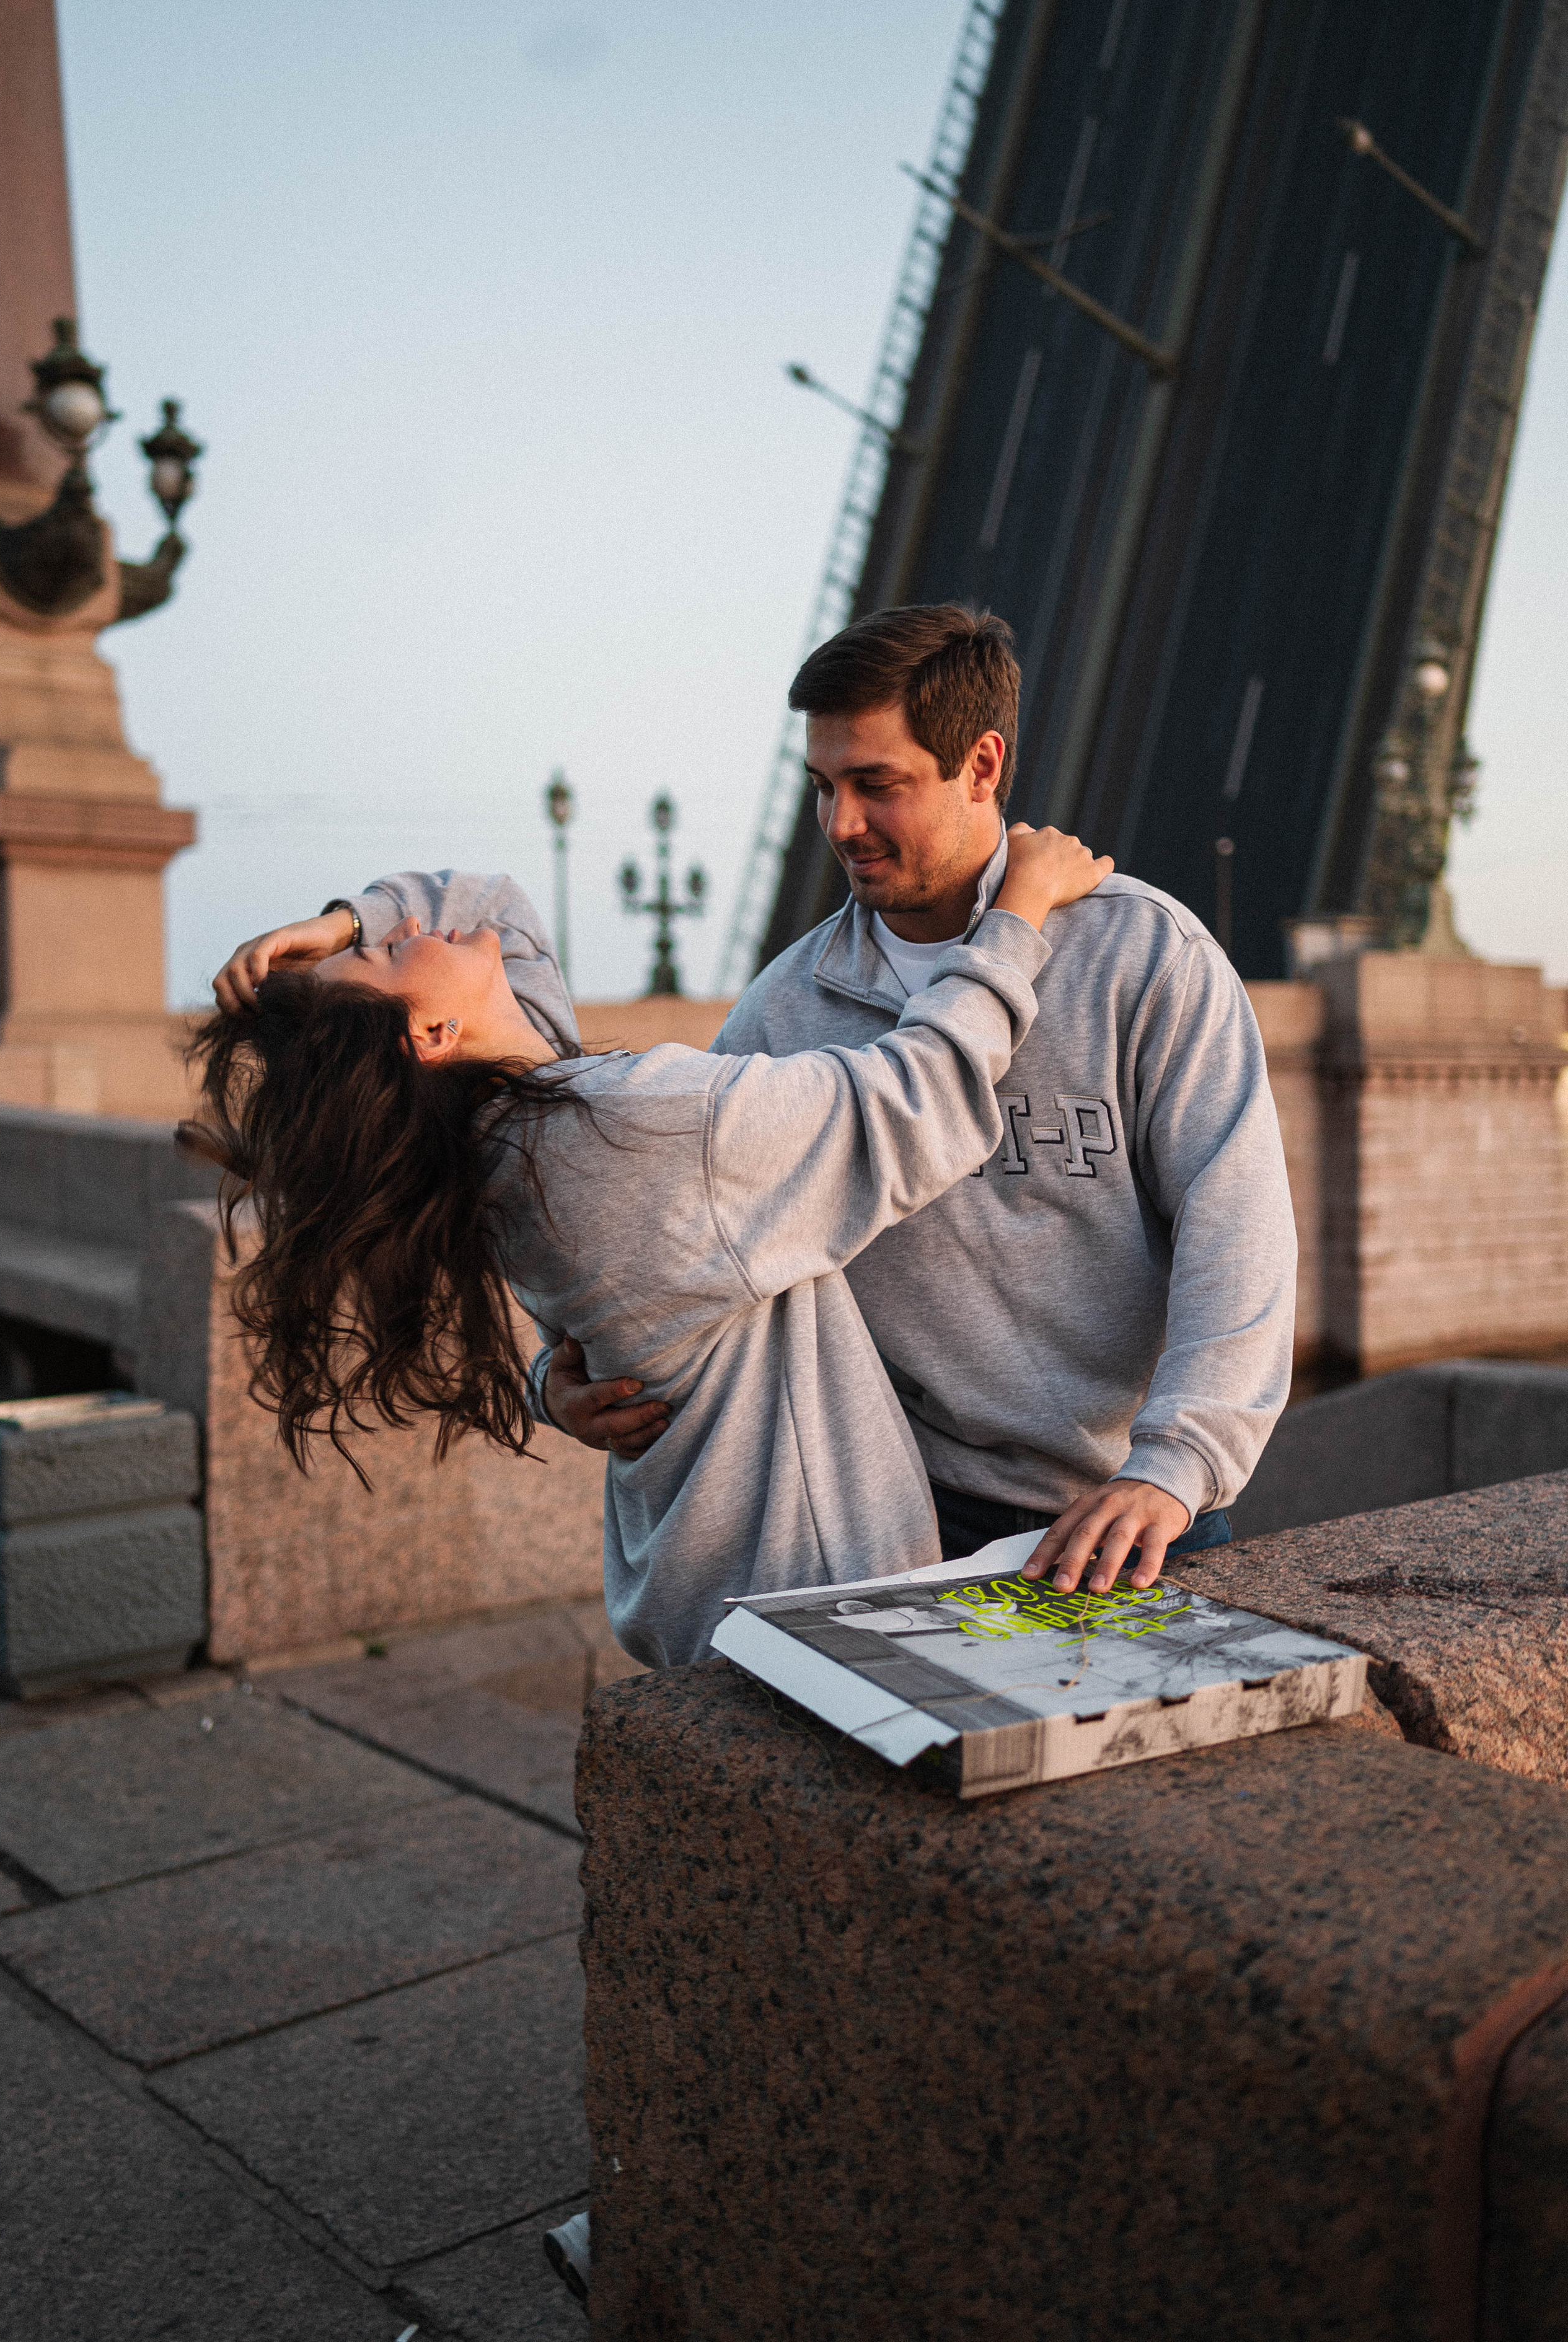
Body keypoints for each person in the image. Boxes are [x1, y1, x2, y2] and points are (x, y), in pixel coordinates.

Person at [201, 827, 1110, 1678]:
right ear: (432, 1035)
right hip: (817, 1609)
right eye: (393, 951)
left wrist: (341, 925)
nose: (407, 924)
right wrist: (1015, 918)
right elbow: (918, 1100)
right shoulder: (635, 1125)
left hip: (698, 1588)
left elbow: (498, 914)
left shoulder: (505, 1135)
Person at [542, 603, 1297, 1600]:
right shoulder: (786, 1009)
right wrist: (559, 1375)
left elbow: (1236, 1225)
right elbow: (677, 1234)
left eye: (876, 785)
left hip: (1132, 1513)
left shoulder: (1145, 958)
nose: (840, 824)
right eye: (823, 787)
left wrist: (1179, 1463)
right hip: (891, 1523)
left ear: (980, 767)